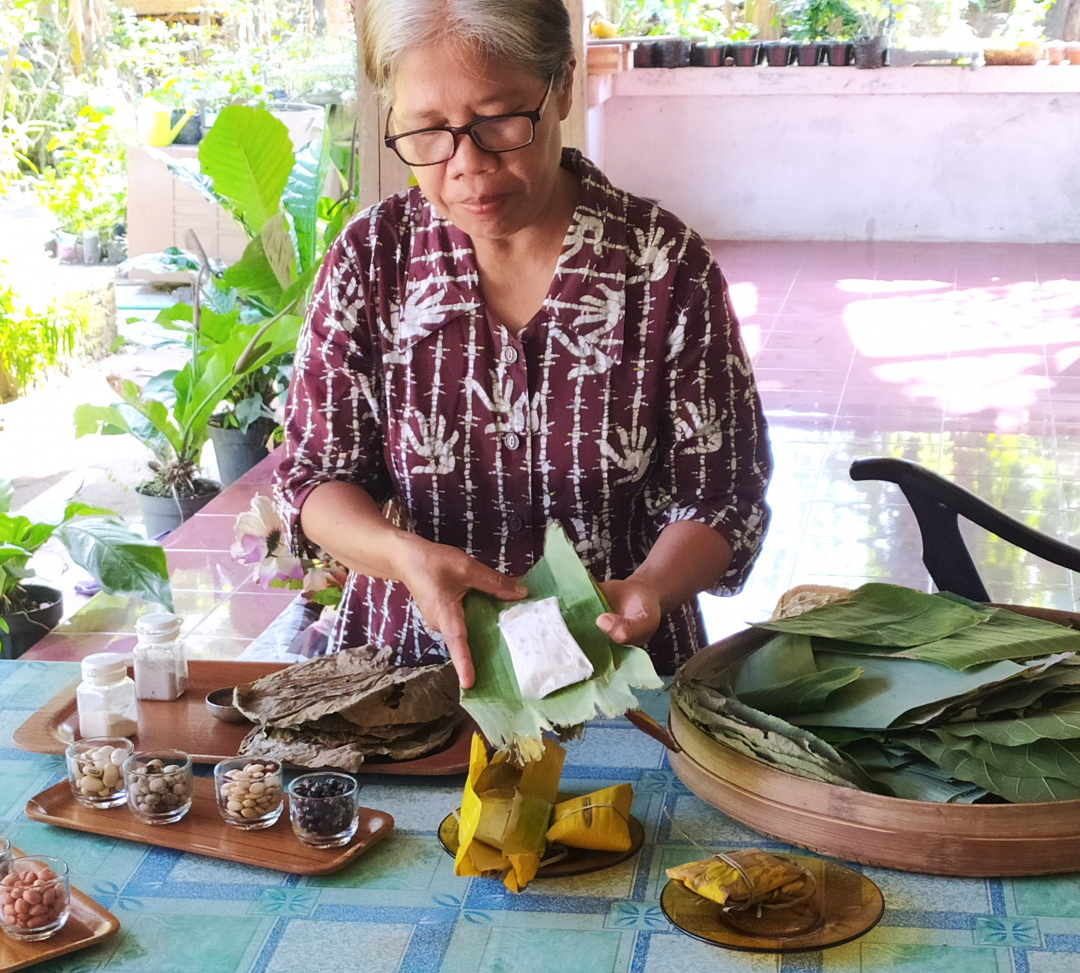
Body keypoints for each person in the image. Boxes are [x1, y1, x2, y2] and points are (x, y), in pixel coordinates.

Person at [274, 0, 771, 689]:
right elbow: (316, 476)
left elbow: (723, 496)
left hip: (619, 671)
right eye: (426, 130)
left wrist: (653, 587)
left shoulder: (660, 265)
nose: (466, 166)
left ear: (562, 85)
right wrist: (401, 555)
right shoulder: (372, 259)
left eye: (498, 121)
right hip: (412, 685)